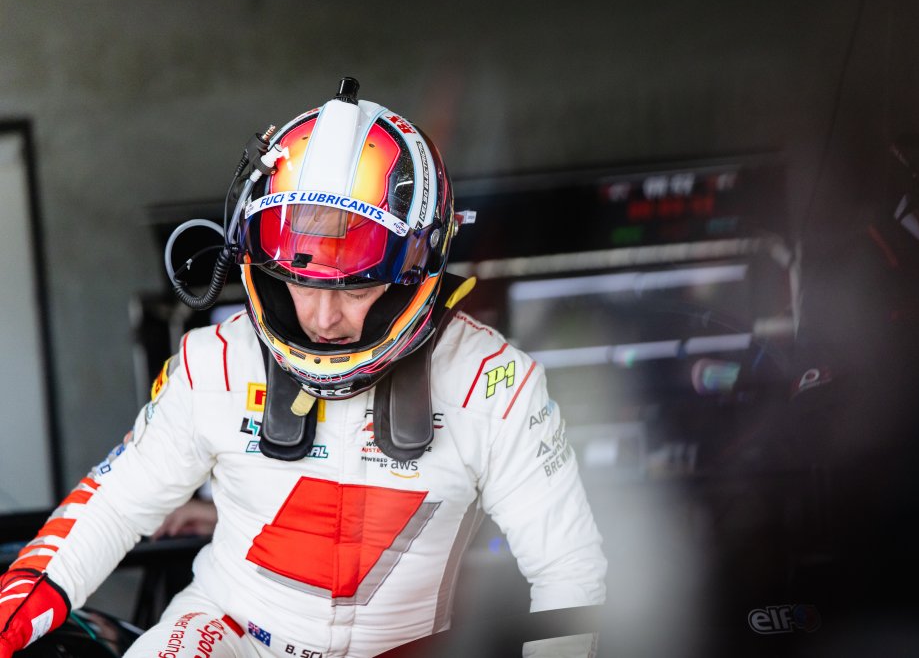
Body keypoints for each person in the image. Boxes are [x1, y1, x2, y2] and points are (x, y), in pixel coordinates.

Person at [0, 78, 606, 658]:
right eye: (297, 282)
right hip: (230, 632)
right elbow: (112, 507)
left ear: (417, 269)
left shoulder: (496, 384)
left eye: (356, 287)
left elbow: (567, 570)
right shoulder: (214, 362)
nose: (321, 317)